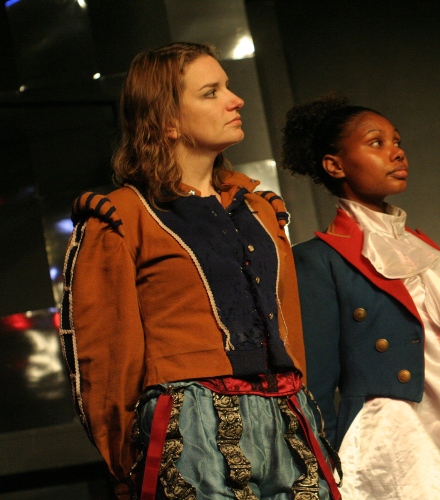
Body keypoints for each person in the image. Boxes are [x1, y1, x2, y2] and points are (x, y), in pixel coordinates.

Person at [58, 42, 340, 500]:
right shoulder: (123, 217)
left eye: (228, 87)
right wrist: (127, 466)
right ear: (167, 120)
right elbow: (104, 357)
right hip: (192, 425)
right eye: (211, 92)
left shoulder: (261, 210)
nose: (236, 100)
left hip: (286, 413)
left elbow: (289, 329)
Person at [282, 95, 440, 499]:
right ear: (334, 165)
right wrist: (321, 473)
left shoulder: (424, 251)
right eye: (376, 143)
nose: (396, 152)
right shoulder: (318, 260)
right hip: (397, 439)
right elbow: (316, 386)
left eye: (397, 141)